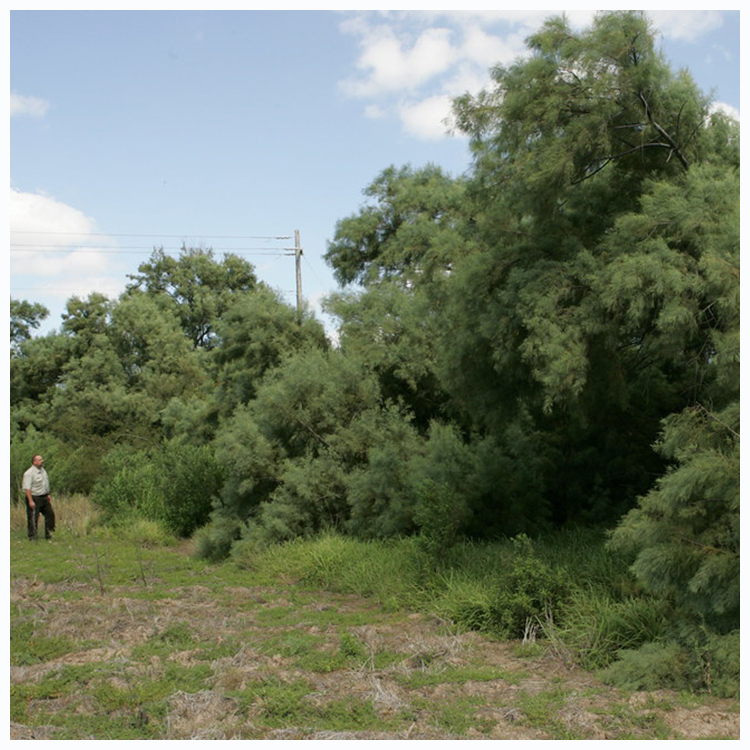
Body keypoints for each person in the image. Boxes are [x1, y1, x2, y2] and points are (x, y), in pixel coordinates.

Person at [22, 454, 56, 540]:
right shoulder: (29, 473)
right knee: (33, 518)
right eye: (40, 460)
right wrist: (30, 501)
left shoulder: (43, 471)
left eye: (42, 459)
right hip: (34, 497)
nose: (42, 461)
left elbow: (45, 483)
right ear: (34, 462)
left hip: (44, 497)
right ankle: (32, 536)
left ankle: (49, 534)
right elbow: (27, 488)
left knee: (50, 515)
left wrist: (48, 494)